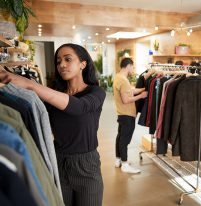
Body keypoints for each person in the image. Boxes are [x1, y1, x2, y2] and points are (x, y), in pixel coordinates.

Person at [0, 43, 106, 206]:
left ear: (82, 64)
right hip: (57, 160)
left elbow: (79, 107)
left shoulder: (95, 92)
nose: (61, 65)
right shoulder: (53, 94)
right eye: (58, 61)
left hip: (87, 166)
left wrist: (31, 85)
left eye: (68, 59)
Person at [113, 58, 148, 174]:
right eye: (133, 67)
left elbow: (129, 91)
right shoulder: (123, 80)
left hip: (122, 114)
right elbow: (126, 99)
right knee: (124, 140)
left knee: (120, 138)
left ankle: (118, 160)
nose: (133, 69)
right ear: (128, 66)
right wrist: (142, 96)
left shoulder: (119, 77)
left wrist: (142, 89)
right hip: (127, 115)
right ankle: (125, 164)